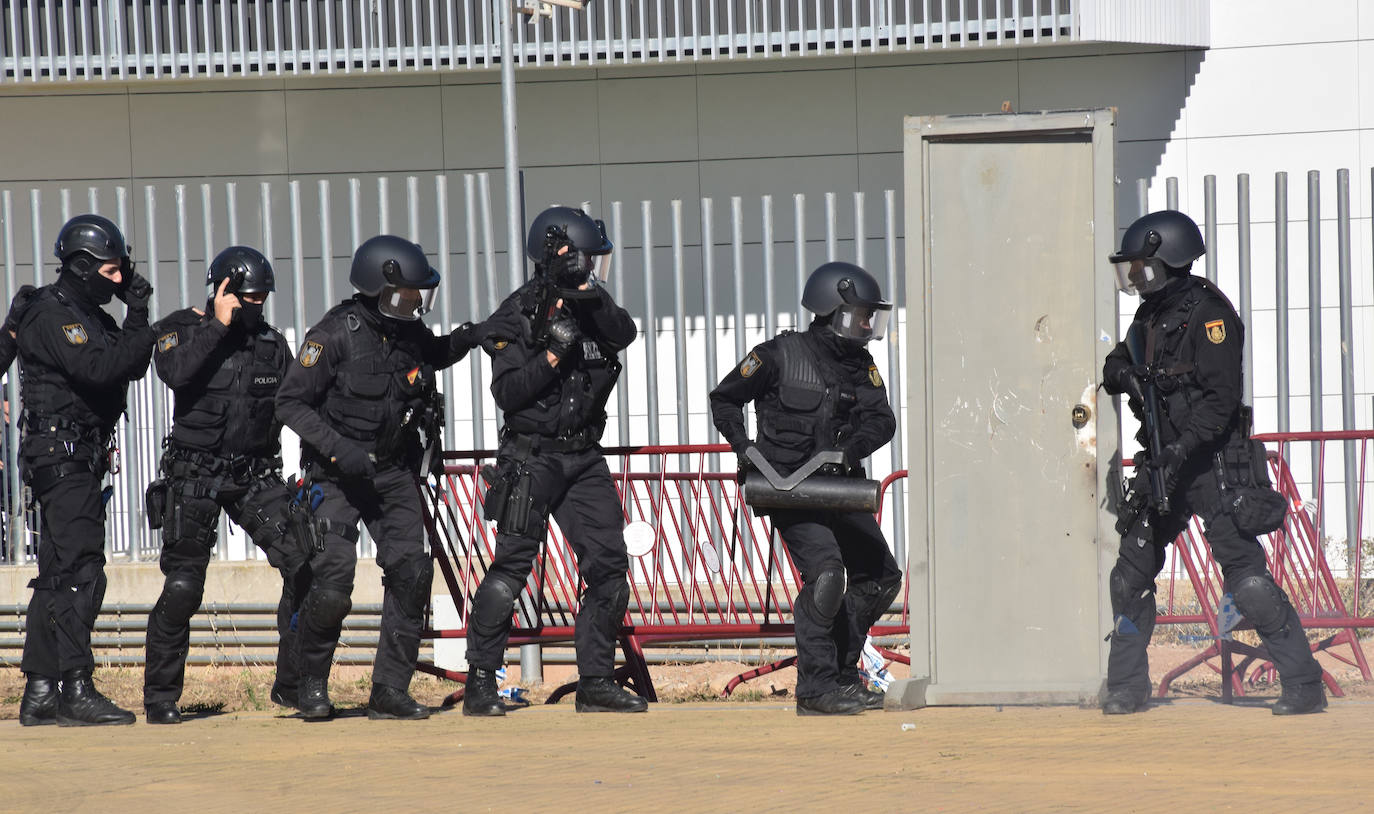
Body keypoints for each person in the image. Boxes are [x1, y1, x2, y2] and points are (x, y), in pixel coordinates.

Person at [1100, 209, 1325, 715]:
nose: (1134, 276)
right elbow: (1117, 360)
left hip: (1210, 466)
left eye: (1141, 265)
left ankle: (1304, 684)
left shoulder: (1211, 315)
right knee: (1129, 577)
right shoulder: (1150, 315)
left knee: (1247, 580)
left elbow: (1221, 402)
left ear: (1168, 260)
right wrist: (1127, 378)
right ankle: (1127, 685)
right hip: (1165, 465)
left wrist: (1183, 447)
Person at [276, 234, 491, 721]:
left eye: (420, 295)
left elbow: (431, 354)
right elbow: (289, 402)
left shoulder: (406, 331)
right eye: (406, 295)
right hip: (333, 475)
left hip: (391, 473)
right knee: (332, 582)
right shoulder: (332, 334)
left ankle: (389, 689)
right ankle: (309, 684)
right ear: (379, 288)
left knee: (413, 574)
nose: (416, 303)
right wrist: (339, 449)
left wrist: (469, 337)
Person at [463, 205, 646, 716]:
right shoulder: (517, 313)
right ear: (562, 254)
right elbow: (508, 392)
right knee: (512, 568)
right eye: (589, 258)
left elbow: (624, 333)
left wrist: (585, 297)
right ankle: (481, 681)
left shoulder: (593, 304)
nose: (596, 269)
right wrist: (550, 356)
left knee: (609, 566)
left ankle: (594, 681)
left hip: (583, 457)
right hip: (532, 456)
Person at [709, 261, 902, 716]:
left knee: (880, 578)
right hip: (787, 490)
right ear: (832, 310)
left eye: (871, 316)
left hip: (839, 489)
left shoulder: (861, 364)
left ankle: (841, 674)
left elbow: (882, 419)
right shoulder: (776, 355)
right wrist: (745, 449)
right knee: (828, 576)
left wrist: (850, 450)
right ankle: (816, 691)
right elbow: (725, 398)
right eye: (861, 314)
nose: (868, 324)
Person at [142, 246, 314, 724]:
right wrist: (217, 324)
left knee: (305, 565)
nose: (257, 305)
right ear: (225, 290)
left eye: (263, 297)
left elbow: (298, 402)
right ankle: (160, 698)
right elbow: (174, 373)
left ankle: (292, 685)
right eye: (249, 296)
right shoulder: (182, 329)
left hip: (254, 477)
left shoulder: (272, 345)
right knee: (182, 587)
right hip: (194, 475)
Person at [15, 213, 155, 726]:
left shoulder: (91, 314)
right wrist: (141, 318)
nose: (119, 280)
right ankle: (76, 688)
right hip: (62, 454)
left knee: (55, 576)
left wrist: (136, 312)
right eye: (112, 272)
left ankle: (39, 694)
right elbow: (102, 368)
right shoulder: (55, 314)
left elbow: (131, 360)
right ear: (81, 266)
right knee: (81, 574)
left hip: (77, 454)